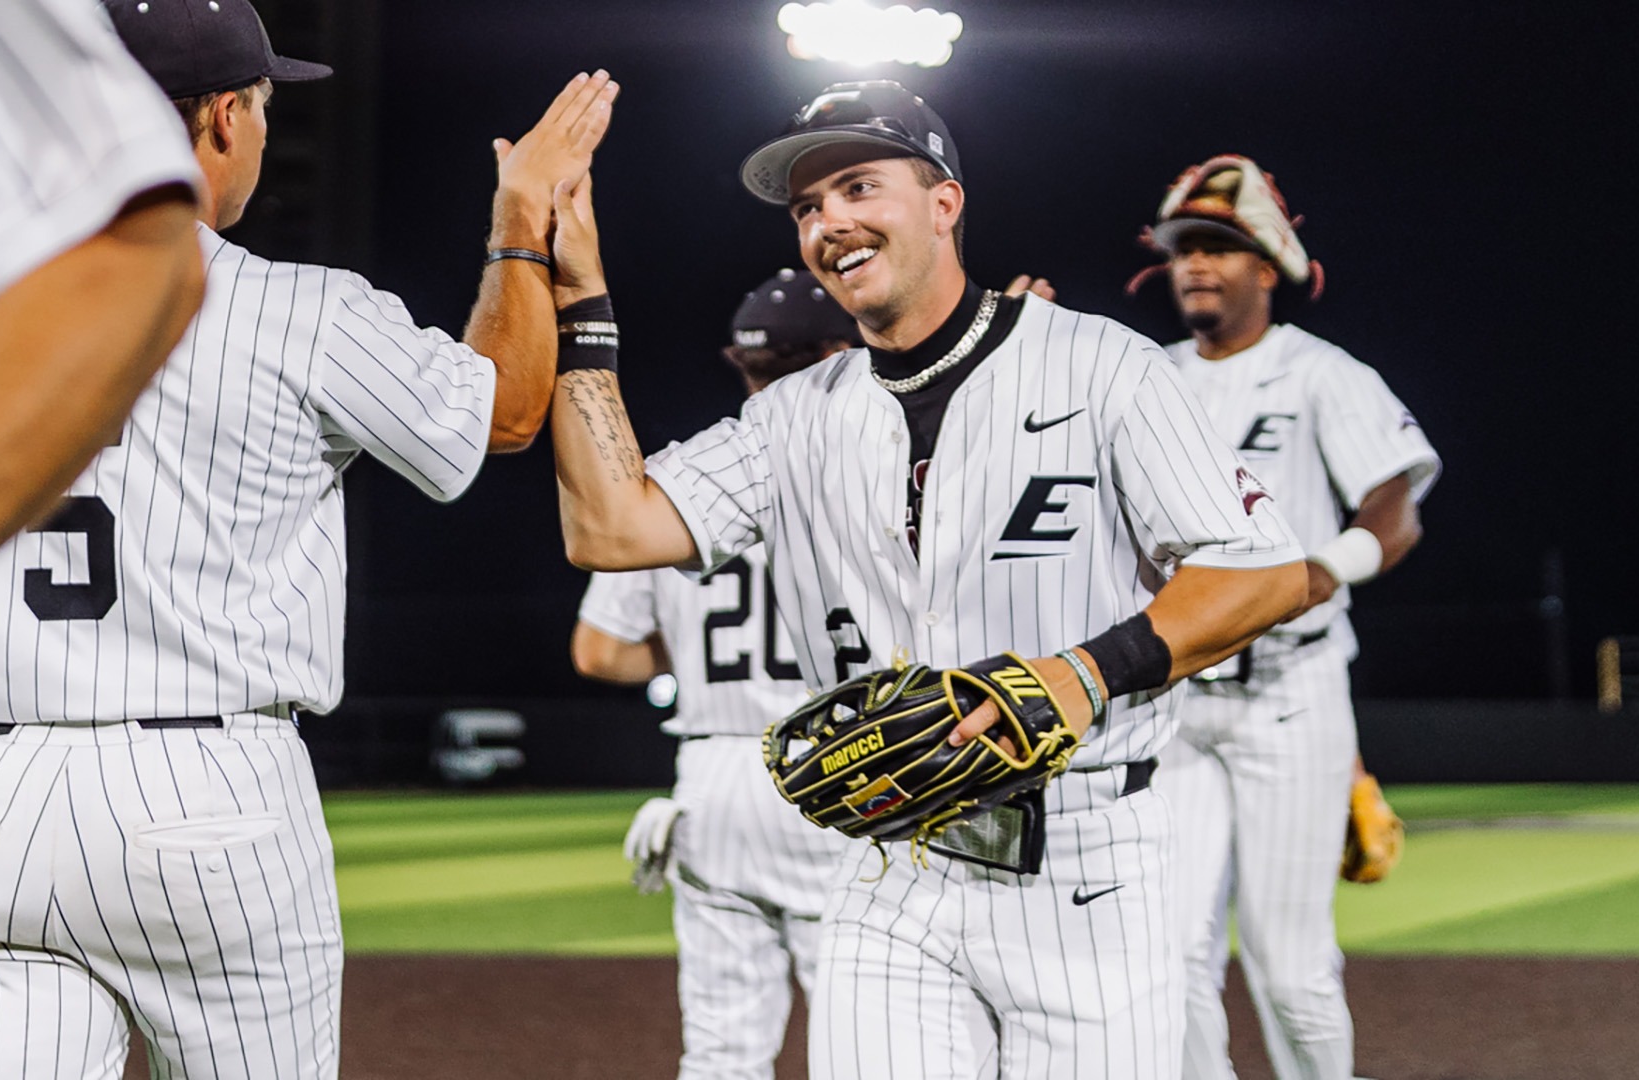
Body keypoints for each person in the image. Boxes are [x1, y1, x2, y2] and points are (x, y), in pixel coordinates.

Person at [0, 1, 618, 1075]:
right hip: (211, 796)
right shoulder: (297, 310)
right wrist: (519, 223)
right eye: (266, 107)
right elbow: (504, 411)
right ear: (225, 117)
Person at [544, 80, 1308, 1078]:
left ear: (945, 202)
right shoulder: (791, 416)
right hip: (886, 864)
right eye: (808, 206)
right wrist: (581, 305)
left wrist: (1085, 672)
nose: (830, 223)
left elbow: (1266, 570)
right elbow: (609, 528)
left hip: (1087, 861)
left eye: (859, 187)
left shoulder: (1102, 366)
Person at [0, 0, 206, 1075]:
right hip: (210, 767)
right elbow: (497, 420)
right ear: (229, 116)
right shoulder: (321, 313)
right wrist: (540, 254)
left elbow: (127, 244)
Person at [1128, 154, 1441, 1080]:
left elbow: (1395, 506)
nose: (1194, 263)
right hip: (1178, 696)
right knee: (1169, 952)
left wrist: (1324, 568)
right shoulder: (1147, 377)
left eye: (1218, 246)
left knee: (1291, 968)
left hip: (1290, 692)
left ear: (1269, 266)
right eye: (1182, 248)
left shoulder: (1319, 373)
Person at [572, 267, 860, 1078]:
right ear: (837, 354)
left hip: (714, 774)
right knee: (865, 1041)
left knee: (722, 1051)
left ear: (742, 362)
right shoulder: (874, 471)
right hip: (839, 766)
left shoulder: (683, 474)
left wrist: (691, 649)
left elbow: (600, 651)